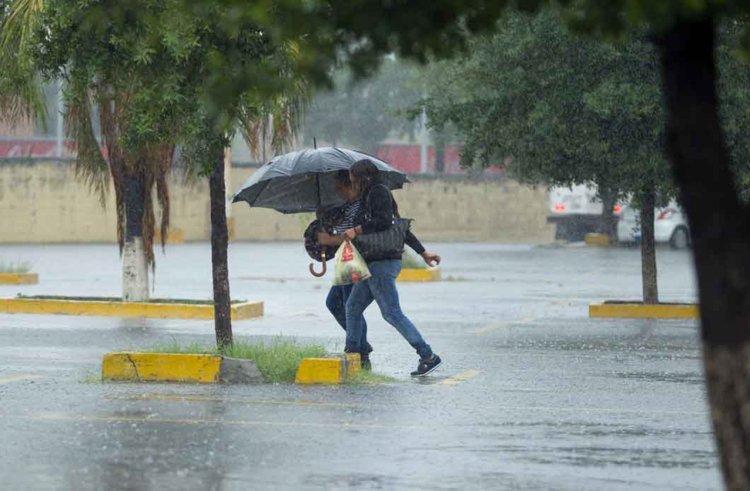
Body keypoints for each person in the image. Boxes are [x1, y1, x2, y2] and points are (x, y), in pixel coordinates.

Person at [342, 159, 443, 377]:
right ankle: (353, 355)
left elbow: (386, 222)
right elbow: (400, 228)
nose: (353, 184)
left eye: (354, 180)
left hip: (383, 262)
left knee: (391, 313)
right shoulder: (368, 196)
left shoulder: (379, 192)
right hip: (373, 263)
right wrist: (423, 253)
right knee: (352, 307)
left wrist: (356, 230)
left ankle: (428, 355)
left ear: (364, 178)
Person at [315, 171, 374, 368]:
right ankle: (361, 345)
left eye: (341, 189)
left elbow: (352, 236)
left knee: (352, 308)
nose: (340, 194)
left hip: (355, 262)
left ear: (351, 185)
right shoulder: (347, 206)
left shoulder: (360, 206)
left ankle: (360, 351)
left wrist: (328, 239)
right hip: (345, 262)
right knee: (335, 303)